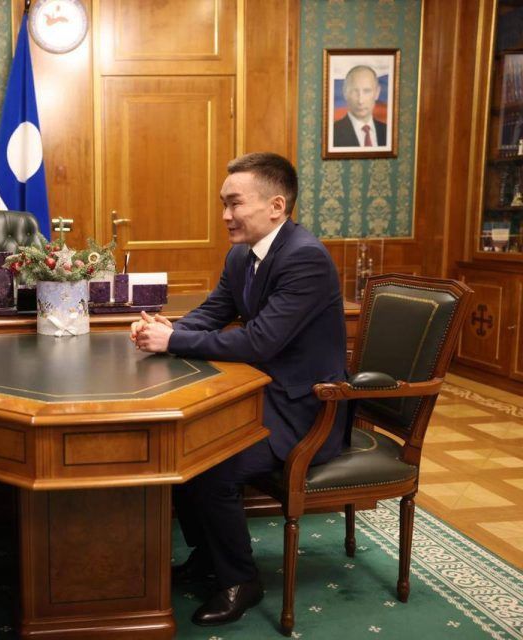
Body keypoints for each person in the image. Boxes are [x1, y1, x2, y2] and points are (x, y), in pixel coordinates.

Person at [130, 152, 349, 627]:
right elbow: (214, 312)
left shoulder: (305, 258)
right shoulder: (241, 254)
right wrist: (168, 328)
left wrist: (173, 341)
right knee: (184, 449)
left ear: (276, 205)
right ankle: (208, 557)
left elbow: (260, 340)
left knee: (212, 464)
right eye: (223, 204)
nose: (226, 215)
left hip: (306, 408)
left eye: (235, 204)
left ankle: (240, 580)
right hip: (263, 395)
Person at [333, 65, 387, 147]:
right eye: (355, 91)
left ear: (377, 92)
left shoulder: (387, 131)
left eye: (367, 91)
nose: (360, 101)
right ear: (345, 92)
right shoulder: (333, 133)